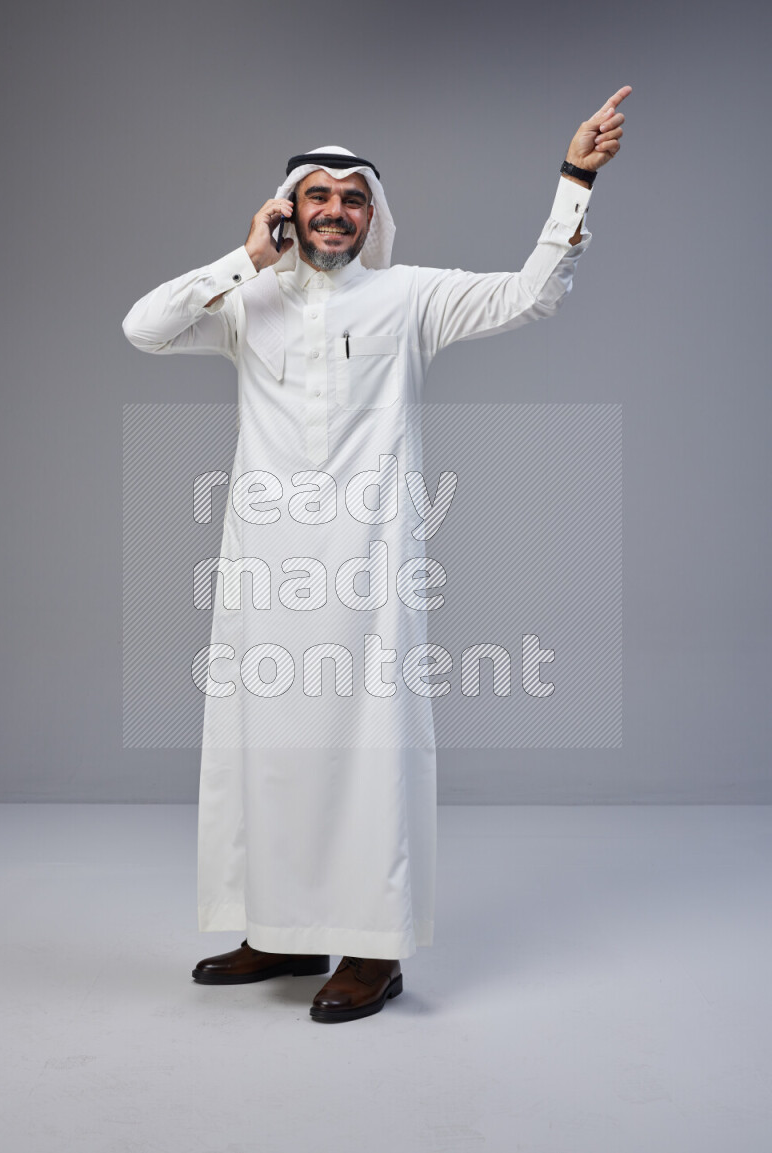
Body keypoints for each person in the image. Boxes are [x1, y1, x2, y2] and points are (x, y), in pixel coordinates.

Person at [122, 86, 631, 1024]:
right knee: (268, 748)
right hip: (267, 570)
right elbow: (142, 328)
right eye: (316, 196)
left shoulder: (408, 296)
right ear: (288, 208)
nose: (334, 211)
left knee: (367, 754)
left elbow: (531, 294)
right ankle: (281, 930)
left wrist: (575, 178)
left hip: (369, 570)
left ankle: (373, 948)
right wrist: (244, 258)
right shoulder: (247, 302)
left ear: (372, 216)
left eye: (352, 199)